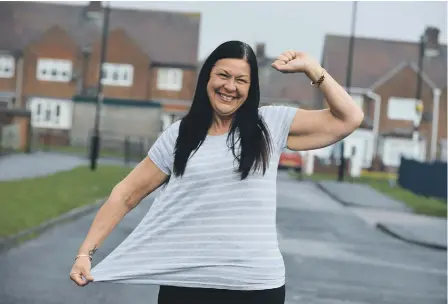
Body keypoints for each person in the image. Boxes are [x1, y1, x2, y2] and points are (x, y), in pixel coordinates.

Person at [69, 40, 364, 304]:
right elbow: (126, 194)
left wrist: (313, 69)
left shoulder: (271, 125)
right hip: (185, 285)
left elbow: (349, 118)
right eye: (223, 75)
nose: (230, 87)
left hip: (255, 287)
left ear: (251, 88)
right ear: (207, 77)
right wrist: (85, 253)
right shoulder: (179, 135)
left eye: (241, 80)